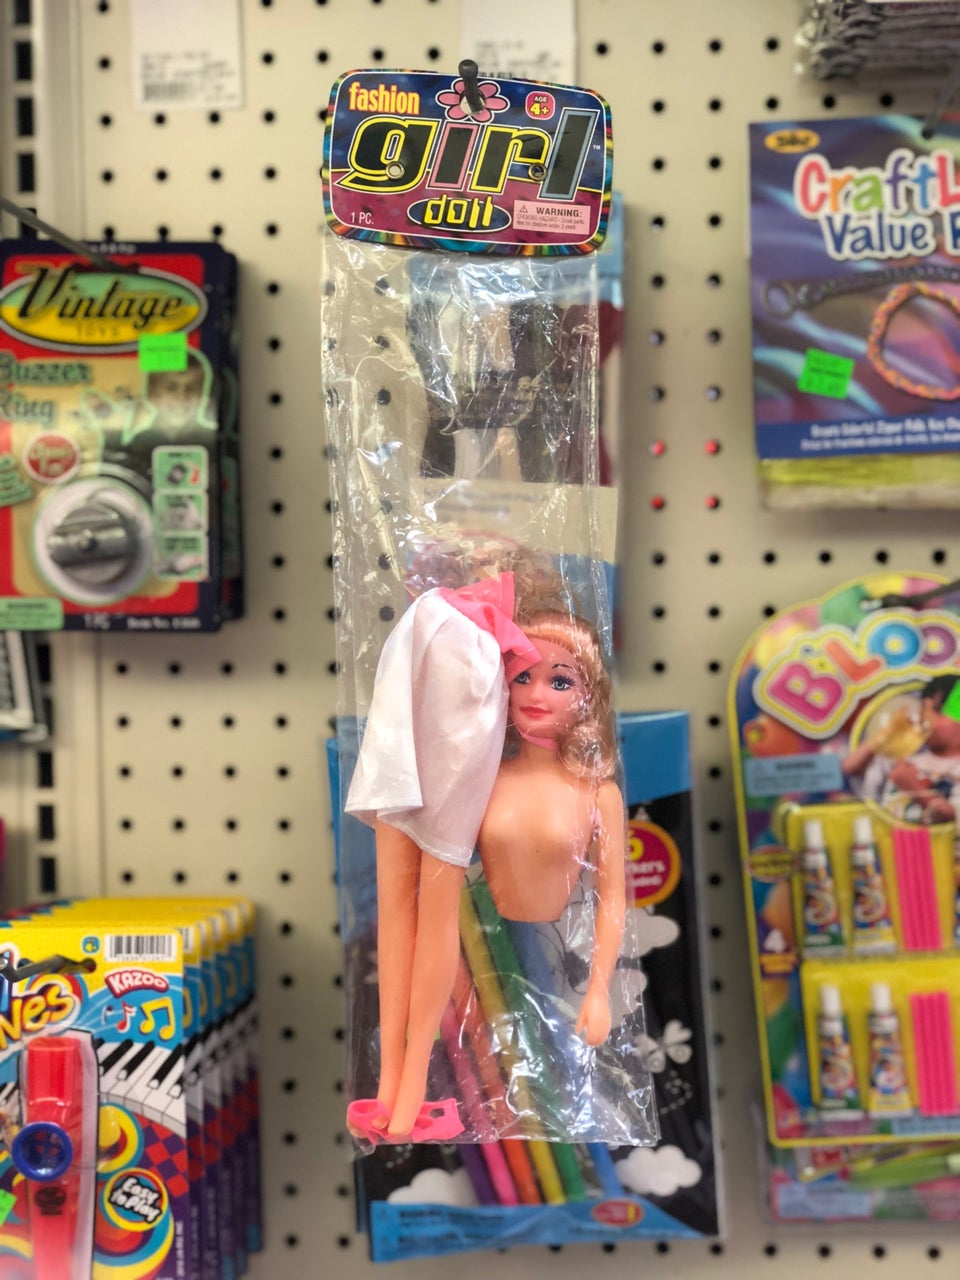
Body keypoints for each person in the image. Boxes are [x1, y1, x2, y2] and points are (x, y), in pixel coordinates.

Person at [344, 554, 626, 1143]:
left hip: (552, 972)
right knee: (408, 920)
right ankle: (401, 1086)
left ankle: (407, 1088)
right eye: (522, 676)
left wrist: (599, 989)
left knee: (545, 1091)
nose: (536, 694)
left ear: (588, 695)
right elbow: (421, 896)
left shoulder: (598, 793)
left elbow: (613, 897)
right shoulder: (485, 776)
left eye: (561, 681)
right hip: (484, 956)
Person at [843, 674, 960, 824]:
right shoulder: (902, 758)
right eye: (925, 711)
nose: (929, 719)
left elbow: (952, 818)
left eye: (938, 711)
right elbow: (850, 768)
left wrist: (914, 789)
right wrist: (886, 733)